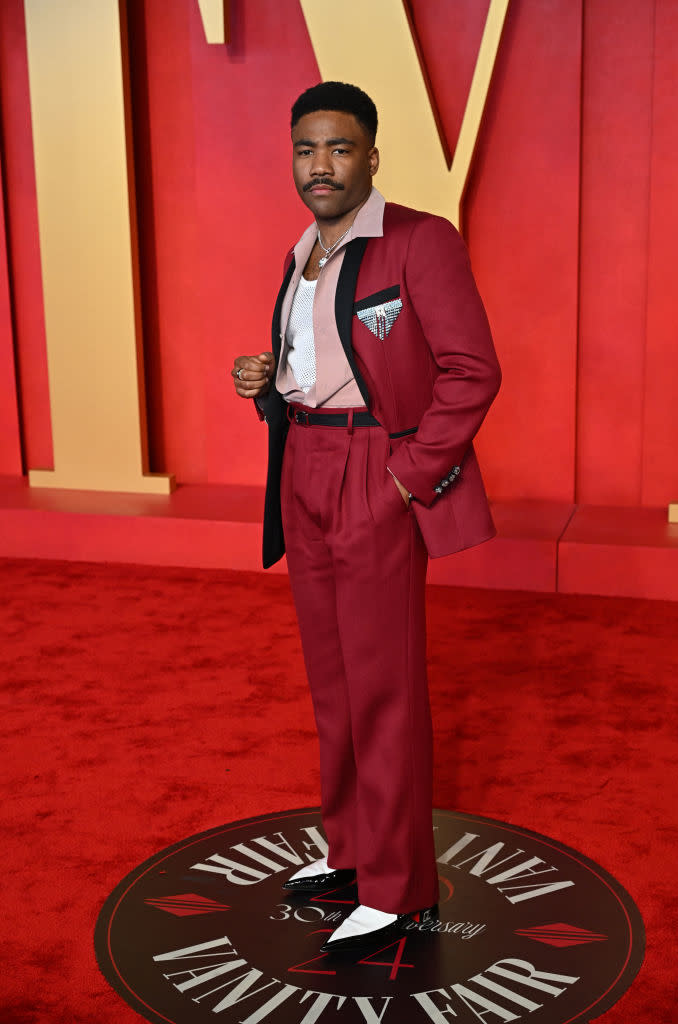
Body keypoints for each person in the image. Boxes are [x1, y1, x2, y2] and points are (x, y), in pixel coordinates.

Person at [232, 81, 501, 953]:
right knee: (334, 686)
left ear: (371, 157)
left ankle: (397, 887)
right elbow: (319, 362)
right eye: (307, 149)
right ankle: (349, 853)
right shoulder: (301, 251)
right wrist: (265, 377)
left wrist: (406, 477)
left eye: (339, 148)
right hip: (301, 467)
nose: (321, 165)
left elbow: (472, 369)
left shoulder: (419, 241)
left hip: (370, 471)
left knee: (384, 690)